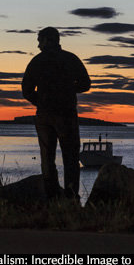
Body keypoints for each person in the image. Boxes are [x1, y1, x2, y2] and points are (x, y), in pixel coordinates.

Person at [22, 27, 91, 200]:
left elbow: (26, 89)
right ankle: (71, 197)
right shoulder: (70, 58)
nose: (38, 45)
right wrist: (68, 91)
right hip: (65, 113)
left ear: (47, 40)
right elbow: (85, 84)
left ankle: (52, 198)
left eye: (39, 40)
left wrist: (41, 101)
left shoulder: (37, 61)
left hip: (46, 115)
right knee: (70, 158)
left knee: (47, 158)